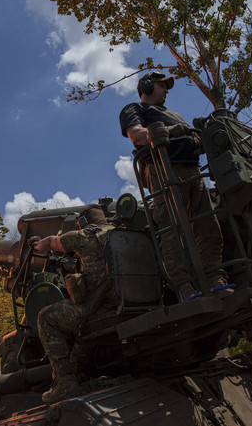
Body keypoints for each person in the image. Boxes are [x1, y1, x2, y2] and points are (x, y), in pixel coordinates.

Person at [119, 71, 226, 301]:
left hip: (192, 171)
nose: (166, 91)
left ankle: (214, 278)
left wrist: (196, 138)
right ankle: (184, 286)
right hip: (164, 170)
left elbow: (189, 136)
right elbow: (137, 136)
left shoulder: (173, 114)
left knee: (209, 226)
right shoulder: (135, 109)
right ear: (146, 87)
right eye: (161, 86)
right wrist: (169, 131)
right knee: (172, 230)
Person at [32, 204, 116, 404]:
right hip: (123, 303)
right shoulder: (120, 232)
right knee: (82, 333)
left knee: (46, 317)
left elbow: (53, 242)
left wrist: (35, 244)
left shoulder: (86, 235)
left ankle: (65, 382)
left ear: (84, 222)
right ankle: (79, 371)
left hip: (100, 306)